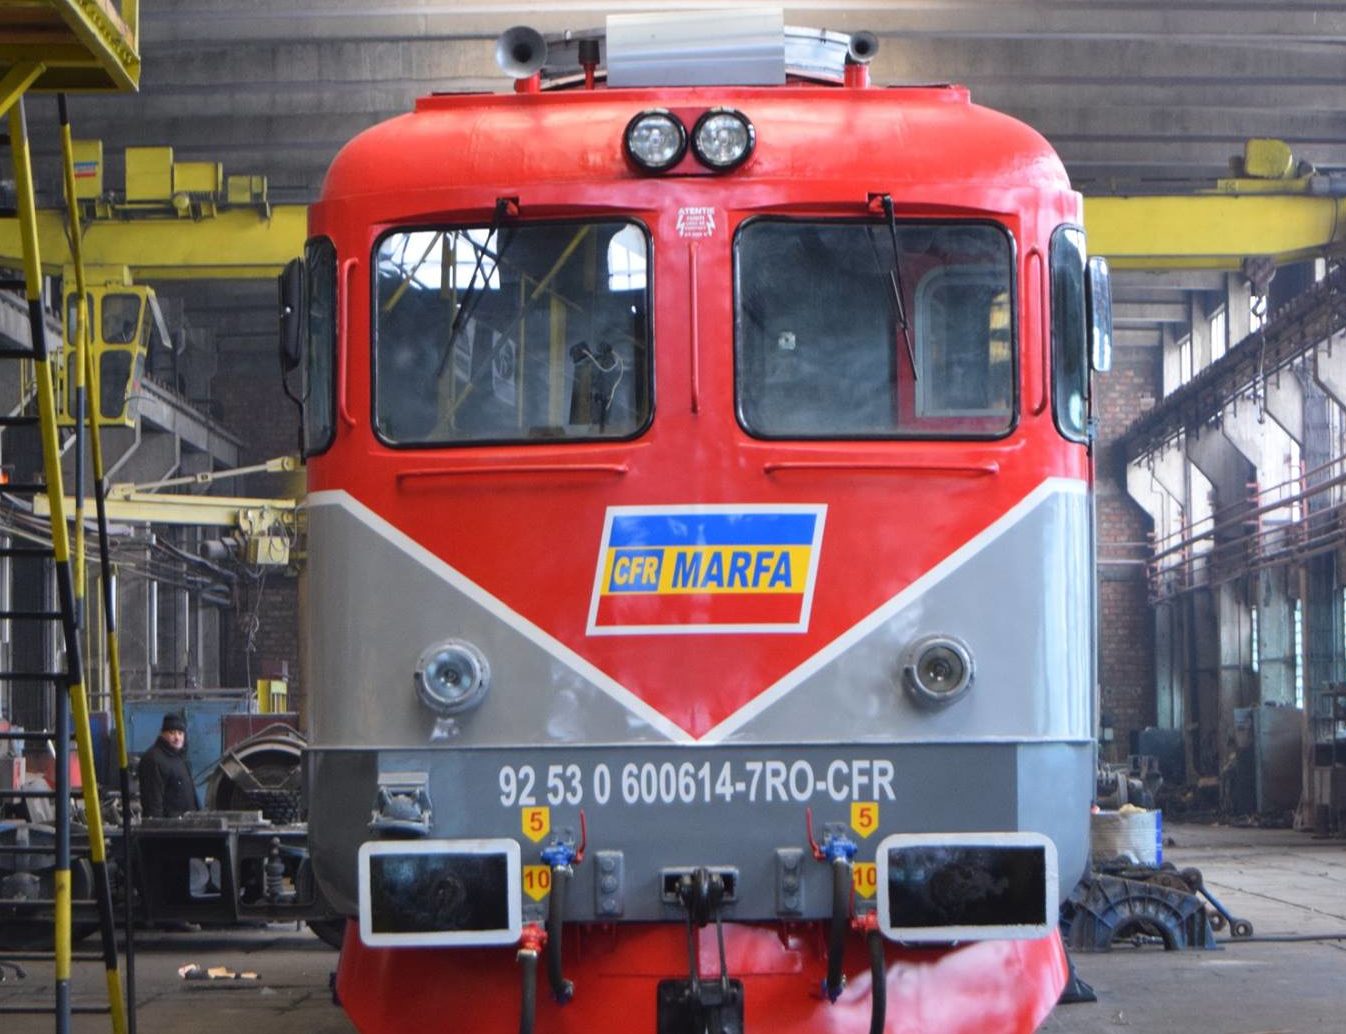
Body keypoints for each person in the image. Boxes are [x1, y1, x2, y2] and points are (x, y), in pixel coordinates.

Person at [137, 713, 199, 818]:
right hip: (168, 829)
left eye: (180, 733)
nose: (177, 738)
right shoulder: (154, 759)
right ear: (162, 734)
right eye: (172, 733)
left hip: (185, 826)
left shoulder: (179, 758)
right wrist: (157, 829)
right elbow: (153, 802)